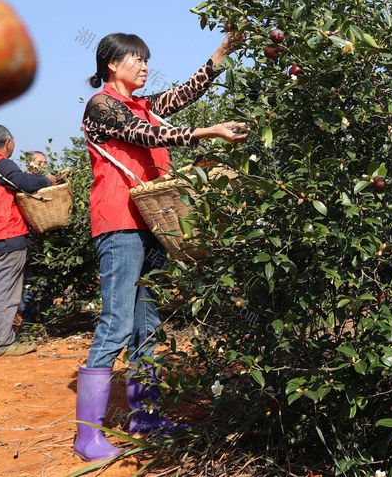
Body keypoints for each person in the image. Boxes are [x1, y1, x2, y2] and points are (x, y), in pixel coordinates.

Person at [73, 32, 249, 461]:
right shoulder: (101, 106)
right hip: (119, 223)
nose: (144, 66)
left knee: (147, 325)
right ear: (112, 63)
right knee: (116, 323)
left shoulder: (143, 105)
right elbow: (146, 136)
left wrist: (219, 55)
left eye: (146, 60)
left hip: (152, 222)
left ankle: (146, 416)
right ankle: (87, 435)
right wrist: (209, 132)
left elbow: (183, 95)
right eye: (136, 59)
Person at [0, 126, 62, 357]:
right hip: (7, 232)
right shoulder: (1, 163)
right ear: (7, 142)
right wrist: (47, 180)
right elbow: (24, 182)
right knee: (6, 293)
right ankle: (3, 343)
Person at [19, 151, 50, 324]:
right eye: (40, 162)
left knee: (47, 280)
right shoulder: (24, 183)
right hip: (30, 239)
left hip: (47, 240)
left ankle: (47, 315)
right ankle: (28, 319)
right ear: (29, 165)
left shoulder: (48, 183)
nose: (43, 166)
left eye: (45, 162)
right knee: (29, 281)